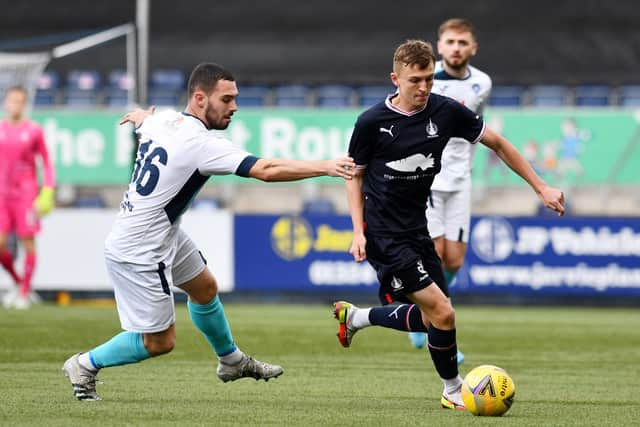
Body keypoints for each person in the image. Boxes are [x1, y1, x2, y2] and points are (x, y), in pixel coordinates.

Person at [62, 62, 356, 401]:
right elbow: (266, 169)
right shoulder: (199, 143)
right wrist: (326, 166)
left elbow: (146, 121)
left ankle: (231, 361)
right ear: (200, 98)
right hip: (140, 247)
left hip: (160, 231)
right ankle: (84, 364)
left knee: (204, 287)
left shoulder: (165, 120)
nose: (234, 107)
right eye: (227, 99)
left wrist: (141, 116)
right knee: (159, 341)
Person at [332, 39, 564, 410]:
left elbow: (498, 143)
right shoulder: (372, 122)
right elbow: (353, 176)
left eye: (427, 79)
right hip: (384, 235)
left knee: (434, 320)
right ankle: (453, 390)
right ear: (396, 79)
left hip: (417, 229)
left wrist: (541, 187)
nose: (423, 88)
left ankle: (355, 317)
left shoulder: (445, 111)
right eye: (414, 81)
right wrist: (358, 231)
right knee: (444, 313)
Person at [407, 19, 492, 358]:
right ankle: (433, 325)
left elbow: (474, 127)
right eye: (451, 42)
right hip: (430, 176)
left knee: (455, 260)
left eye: (463, 42)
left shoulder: (482, 83)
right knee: (436, 254)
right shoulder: (427, 79)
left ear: (473, 48)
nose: (456, 48)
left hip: (461, 179)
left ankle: (422, 315)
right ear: (439, 46)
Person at [0, 86, 55, 309]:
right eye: (12, 100)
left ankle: (23, 293)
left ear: (24, 105)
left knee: (28, 243)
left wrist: (48, 190)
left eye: (19, 101)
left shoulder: (33, 131)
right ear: (6, 102)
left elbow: (46, 161)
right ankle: (19, 282)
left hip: (25, 195)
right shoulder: (1, 129)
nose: (15, 104)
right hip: (2, 195)